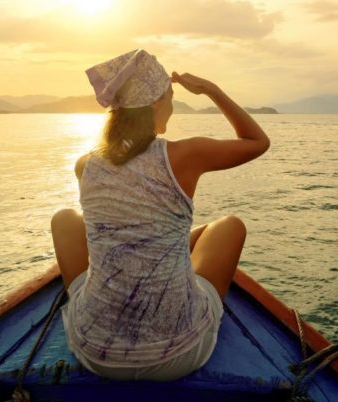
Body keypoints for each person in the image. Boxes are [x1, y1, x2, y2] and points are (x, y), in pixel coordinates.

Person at [51, 49, 269, 381]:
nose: (172, 103)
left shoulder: (85, 165)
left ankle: (96, 309)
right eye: (169, 96)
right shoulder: (185, 154)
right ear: (154, 102)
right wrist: (211, 89)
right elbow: (257, 141)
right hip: (177, 353)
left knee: (63, 219)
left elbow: (128, 225)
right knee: (229, 227)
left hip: (95, 351)